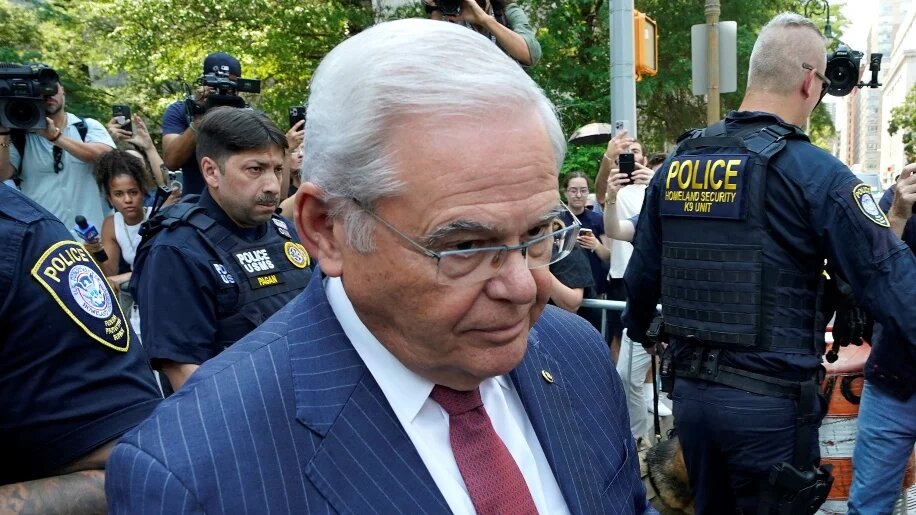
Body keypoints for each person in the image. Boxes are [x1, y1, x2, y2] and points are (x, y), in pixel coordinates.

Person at [105, 18, 651, 514]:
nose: (521, 287)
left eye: (536, 234)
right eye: (463, 247)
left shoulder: (575, 354)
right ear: (326, 229)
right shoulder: (192, 472)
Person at [623, 12, 916, 514]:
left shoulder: (680, 162)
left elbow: (639, 289)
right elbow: (897, 288)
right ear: (809, 81)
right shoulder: (819, 173)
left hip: (692, 401)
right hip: (768, 410)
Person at [0, 185, 161, 512]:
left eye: (134, 191)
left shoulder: (23, 239)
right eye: (119, 193)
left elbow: (139, 465)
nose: (128, 199)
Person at [132, 107, 312, 392]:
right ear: (211, 171)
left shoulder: (285, 232)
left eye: (277, 169)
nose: (272, 185)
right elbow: (185, 376)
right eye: (255, 169)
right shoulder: (175, 252)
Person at [848, 163, 916, 514]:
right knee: (869, 504)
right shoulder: (899, 197)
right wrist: (899, 213)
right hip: (894, 382)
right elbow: (868, 275)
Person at [0, 75, 115, 229]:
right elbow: (2, 174)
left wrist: (56, 137)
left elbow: (105, 156)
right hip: (49, 242)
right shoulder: (21, 138)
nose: (48, 95)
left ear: (63, 91)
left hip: (95, 237)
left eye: (52, 88)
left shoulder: (86, 127)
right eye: (40, 90)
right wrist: (3, 132)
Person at [604, 163, 660, 443]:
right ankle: (639, 440)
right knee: (626, 377)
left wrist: (656, 186)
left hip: (683, 318)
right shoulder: (646, 218)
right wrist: (611, 195)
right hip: (644, 315)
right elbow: (613, 229)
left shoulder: (685, 215)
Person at [594, 131, 650, 361]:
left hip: (649, 274)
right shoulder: (614, 190)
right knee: (617, 339)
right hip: (621, 276)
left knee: (648, 344)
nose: (631, 157)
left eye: (635, 151)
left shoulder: (656, 187)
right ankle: (619, 393)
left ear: (644, 159)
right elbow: (599, 192)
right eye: (624, 155)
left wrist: (656, 181)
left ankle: (645, 397)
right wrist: (608, 157)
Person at [561, 172, 609, 329]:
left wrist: (596, 245)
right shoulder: (557, 220)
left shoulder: (597, 219)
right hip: (565, 289)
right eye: (573, 190)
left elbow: (609, 255)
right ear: (565, 191)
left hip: (594, 288)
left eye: (583, 190)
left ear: (588, 192)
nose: (578, 195)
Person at [425, 0, 541, 66]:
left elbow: (530, 54)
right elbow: (431, 58)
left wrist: (485, 20)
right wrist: (435, 9)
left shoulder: (505, 11)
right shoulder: (447, 17)